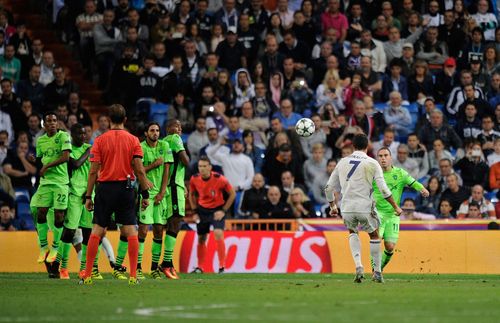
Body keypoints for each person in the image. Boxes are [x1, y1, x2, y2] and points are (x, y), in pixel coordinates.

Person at [81, 104, 153, 285]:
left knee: (97, 230)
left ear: (109, 120)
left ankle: (88, 275)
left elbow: (92, 171)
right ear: (125, 120)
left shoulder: (100, 140)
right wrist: (145, 194)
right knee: (130, 231)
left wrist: (88, 196)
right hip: (126, 189)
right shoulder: (133, 140)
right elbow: (139, 169)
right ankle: (133, 277)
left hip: (105, 189)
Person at [325, 133, 403, 283]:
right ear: (367, 146)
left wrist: (333, 206)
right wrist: (395, 206)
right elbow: (384, 190)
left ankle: (359, 266)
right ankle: (378, 272)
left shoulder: (342, 162)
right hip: (365, 207)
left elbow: (328, 188)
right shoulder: (372, 163)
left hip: (346, 208)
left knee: (353, 232)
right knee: (374, 236)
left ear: (352, 146)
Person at [373, 147, 429, 271]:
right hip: (377, 213)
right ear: (377, 158)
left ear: (391, 157)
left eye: (385, 155)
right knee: (376, 240)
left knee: (390, 246)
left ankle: (379, 268)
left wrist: (422, 189)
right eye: (380, 156)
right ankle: (375, 269)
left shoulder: (400, 173)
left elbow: (413, 182)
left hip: (393, 214)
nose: (383, 158)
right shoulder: (373, 174)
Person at [30, 112, 71, 268]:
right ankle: (43, 246)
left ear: (58, 123)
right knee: (41, 212)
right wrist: (34, 159)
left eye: (55, 121)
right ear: (44, 125)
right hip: (46, 182)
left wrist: (46, 166)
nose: (53, 123)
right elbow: (41, 158)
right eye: (49, 121)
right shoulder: (40, 141)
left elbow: (66, 157)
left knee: (59, 215)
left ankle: (55, 247)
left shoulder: (63, 137)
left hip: (60, 182)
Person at [136, 122, 172, 280]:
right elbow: (137, 171)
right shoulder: (140, 147)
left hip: (160, 194)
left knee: (158, 231)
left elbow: (166, 170)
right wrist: (153, 165)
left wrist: (163, 192)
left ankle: (154, 268)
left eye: (157, 130)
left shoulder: (164, 146)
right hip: (146, 195)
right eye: (152, 130)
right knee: (143, 230)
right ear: (146, 133)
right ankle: (137, 267)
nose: (155, 133)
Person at [189, 156, 235, 274]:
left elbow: (232, 194)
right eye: (200, 166)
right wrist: (194, 212)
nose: (202, 169)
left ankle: (222, 267)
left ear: (210, 167)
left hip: (217, 210)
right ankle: (200, 267)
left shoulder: (220, 179)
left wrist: (224, 210)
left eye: (205, 166)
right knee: (201, 238)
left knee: (218, 233)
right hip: (202, 210)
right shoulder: (194, 179)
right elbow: (191, 195)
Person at [160, 119, 190, 279]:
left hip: (170, 185)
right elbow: (186, 161)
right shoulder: (175, 139)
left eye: (180, 126)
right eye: (176, 126)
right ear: (168, 128)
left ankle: (167, 263)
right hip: (173, 187)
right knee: (175, 221)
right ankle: (166, 263)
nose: (179, 129)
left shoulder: (163, 142)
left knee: (171, 223)